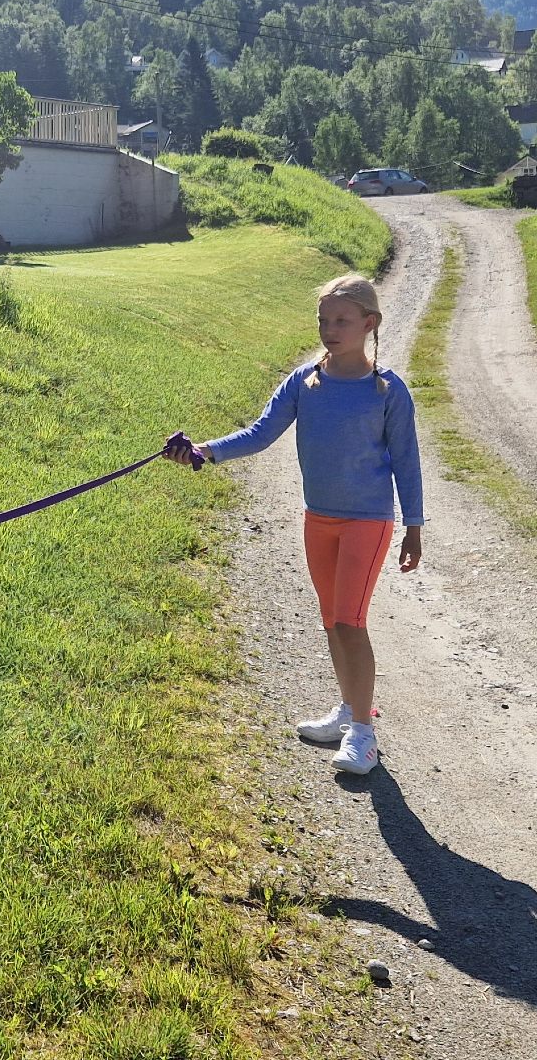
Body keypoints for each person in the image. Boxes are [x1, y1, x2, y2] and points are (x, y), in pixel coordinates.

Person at [165, 274, 423, 775]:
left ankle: (364, 736)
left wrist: (413, 525)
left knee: (350, 621)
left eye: (342, 321)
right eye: (324, 320)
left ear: (369, 324)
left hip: (366, 522)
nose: (330, 329)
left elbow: (407, 461)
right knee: (332, 620)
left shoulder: (387, 390)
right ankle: (348, 711)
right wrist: (205, 452)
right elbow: (260, 434)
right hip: (318, 517)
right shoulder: (305, 383)